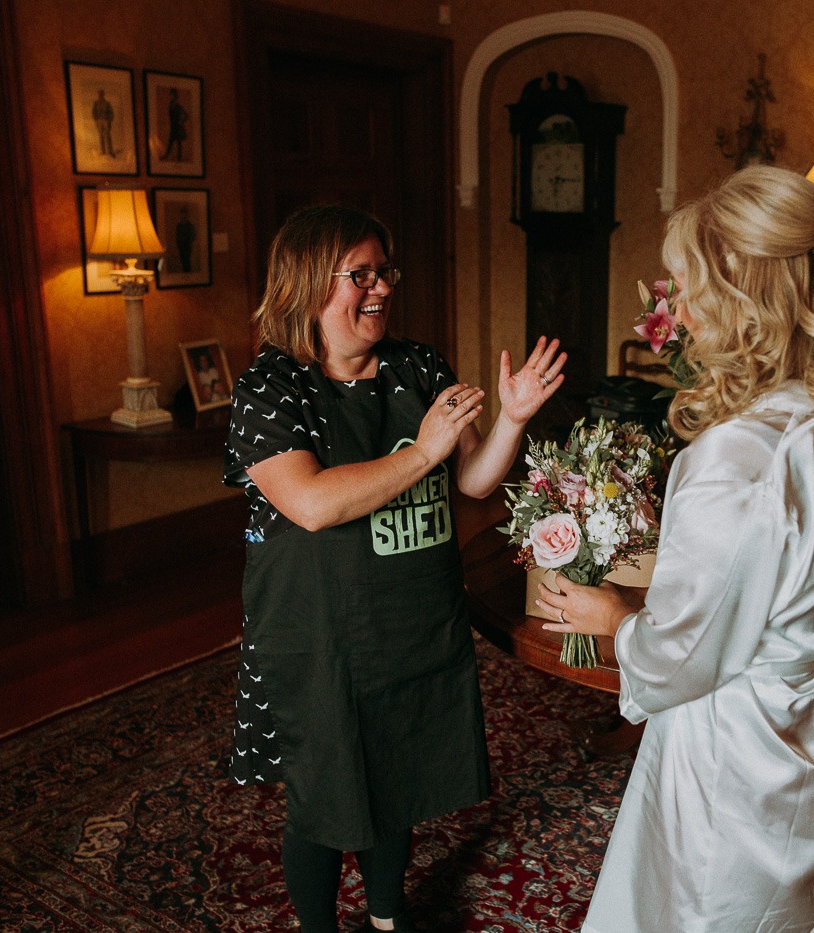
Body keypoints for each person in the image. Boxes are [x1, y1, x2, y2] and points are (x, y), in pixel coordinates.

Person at [537, 165, 814, 932]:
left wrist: (614, 619)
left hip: (744, 761)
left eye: (688, 285)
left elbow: (685, 653)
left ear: (741, 301)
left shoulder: (737, 459)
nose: (679, 308)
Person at [222, 204, 565, 933]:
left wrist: (511, 418)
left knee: (398, 773)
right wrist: (421, 453)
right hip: (319, 629)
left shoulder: (419, 365)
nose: (379, 288)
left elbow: (472, 481)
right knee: (324, 789)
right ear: (311, 282)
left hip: (413, 614)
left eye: (385, 272)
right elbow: (310, 503)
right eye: (361, 275)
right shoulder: (269, 388)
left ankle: (386, 913)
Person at [160, 88, 189, 161]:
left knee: (178, 143)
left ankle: (178, 158)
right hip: (173, 127)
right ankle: (167, 156)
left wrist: (181, 122)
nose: (171, 96)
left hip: (177, 127)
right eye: (171, 95)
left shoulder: (178, 106)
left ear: (174, 96)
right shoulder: (171, 105)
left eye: (172, 95)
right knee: (171, 142)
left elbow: (186, 115)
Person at [91, 89, 115, 158]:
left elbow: (111, 112)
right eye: (99, 93)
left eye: (101, 93)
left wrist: (109, 121)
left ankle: (110, 151)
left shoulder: (107, 103)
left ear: (103, 94)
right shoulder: (95, 103)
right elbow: (93, 112)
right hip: (99, 121)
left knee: (107, 136)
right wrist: (96, 119)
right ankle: (103, 151)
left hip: (105, 121)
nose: (100, 95)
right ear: (98, 94)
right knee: (101, 136)